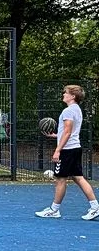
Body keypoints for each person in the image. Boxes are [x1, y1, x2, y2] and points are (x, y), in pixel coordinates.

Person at [35, 85, 99, 221]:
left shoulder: (68, 111)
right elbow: (69, 132)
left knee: (60, 179)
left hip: (68, 150)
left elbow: (68, 132)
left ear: (73, 96)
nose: (63, 94)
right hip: (75, 148)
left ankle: (54, 210)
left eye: (66, 92)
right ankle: (95, 207)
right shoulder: (77, 110)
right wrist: (56, 136)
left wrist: (58, 150)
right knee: (78, 178)